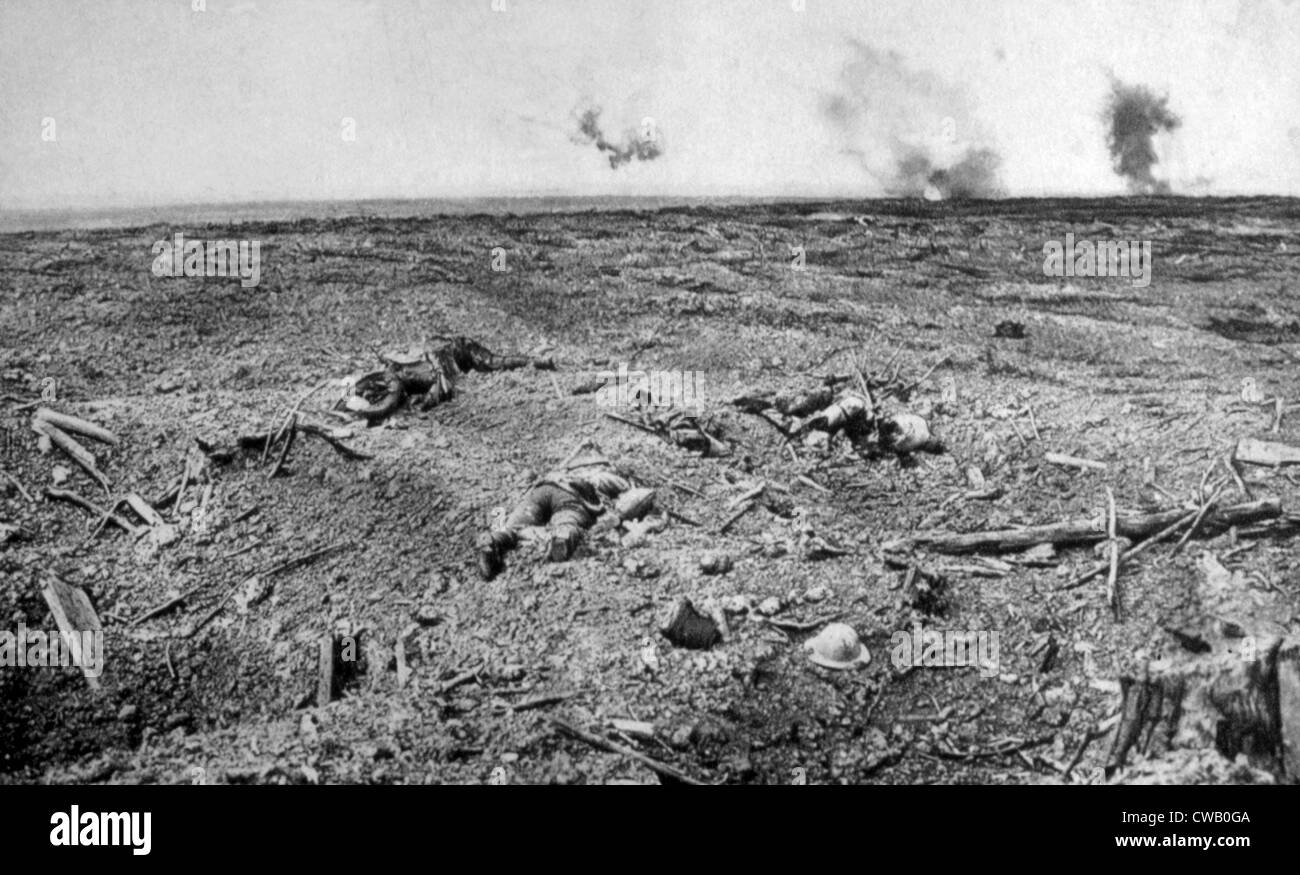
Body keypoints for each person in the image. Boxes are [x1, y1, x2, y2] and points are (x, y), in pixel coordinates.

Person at [477, 443, 631, 580]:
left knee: (512, 527)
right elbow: (631, 493)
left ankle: (494, 539)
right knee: (568, 521)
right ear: (601, 464)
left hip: (542, 489)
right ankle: (563, 535)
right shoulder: (603, 475)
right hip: (570, 496)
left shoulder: (565, 469)